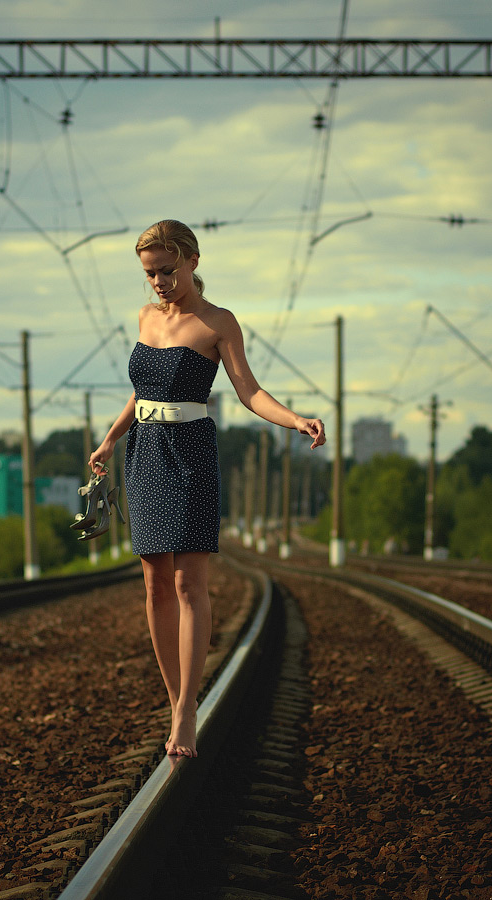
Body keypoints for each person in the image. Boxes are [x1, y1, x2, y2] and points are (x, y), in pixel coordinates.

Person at [88, 220, 326, 758]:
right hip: (144, 452)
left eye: (167, 270)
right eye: (149, 273)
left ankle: (187, 710)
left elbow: (248, 390)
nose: (158, 282)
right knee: (154, 585)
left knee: (190, 585)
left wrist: (294, 420)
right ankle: (176, 699)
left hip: (190, 450)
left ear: (193, 261)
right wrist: (108, 440)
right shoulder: (146, 317)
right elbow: (140, 391)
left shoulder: (219, 322)